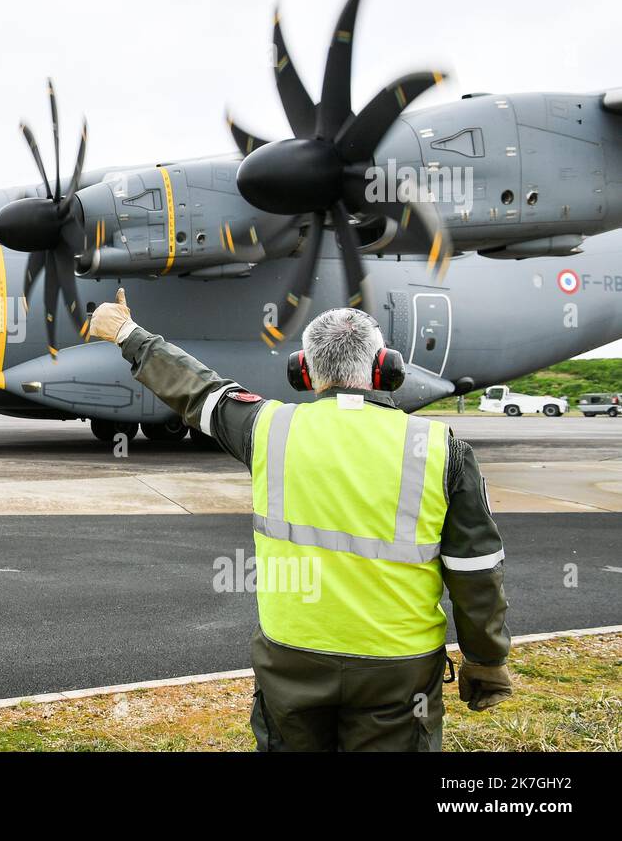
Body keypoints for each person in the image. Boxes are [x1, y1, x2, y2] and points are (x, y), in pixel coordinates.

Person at [89, 289, 512, 751]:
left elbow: (196, 389)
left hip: (291, 662)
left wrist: (127, 333)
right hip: (397, 668)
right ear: (385, 369)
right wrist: (485, 661)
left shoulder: (269, 428)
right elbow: (475, 570)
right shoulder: (441, 447)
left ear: (303, 371)